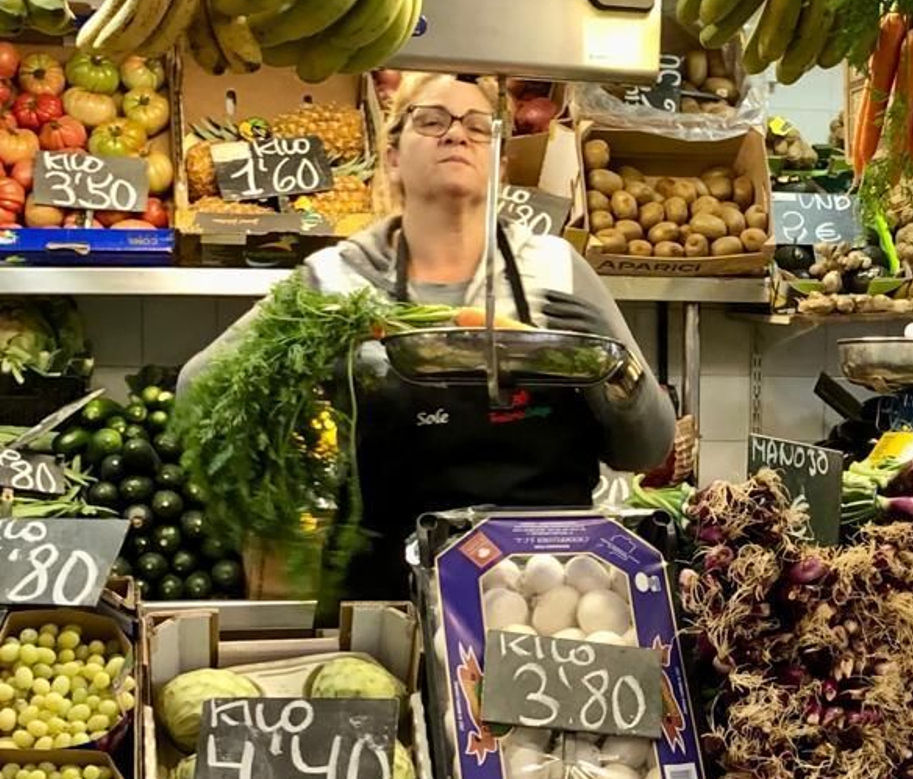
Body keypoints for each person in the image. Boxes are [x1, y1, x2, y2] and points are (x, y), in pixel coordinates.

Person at [178, 73, 676, 597]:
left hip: (553, 588)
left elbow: (645, 449)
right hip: (391, 592)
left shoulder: (553, 267)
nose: (456, 135)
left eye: (478, 127)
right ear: (392, 156)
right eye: (432, 121)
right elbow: (198, 388)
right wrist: (295, 380)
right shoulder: (335, 280)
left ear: (501, 163)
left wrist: (617, 368)